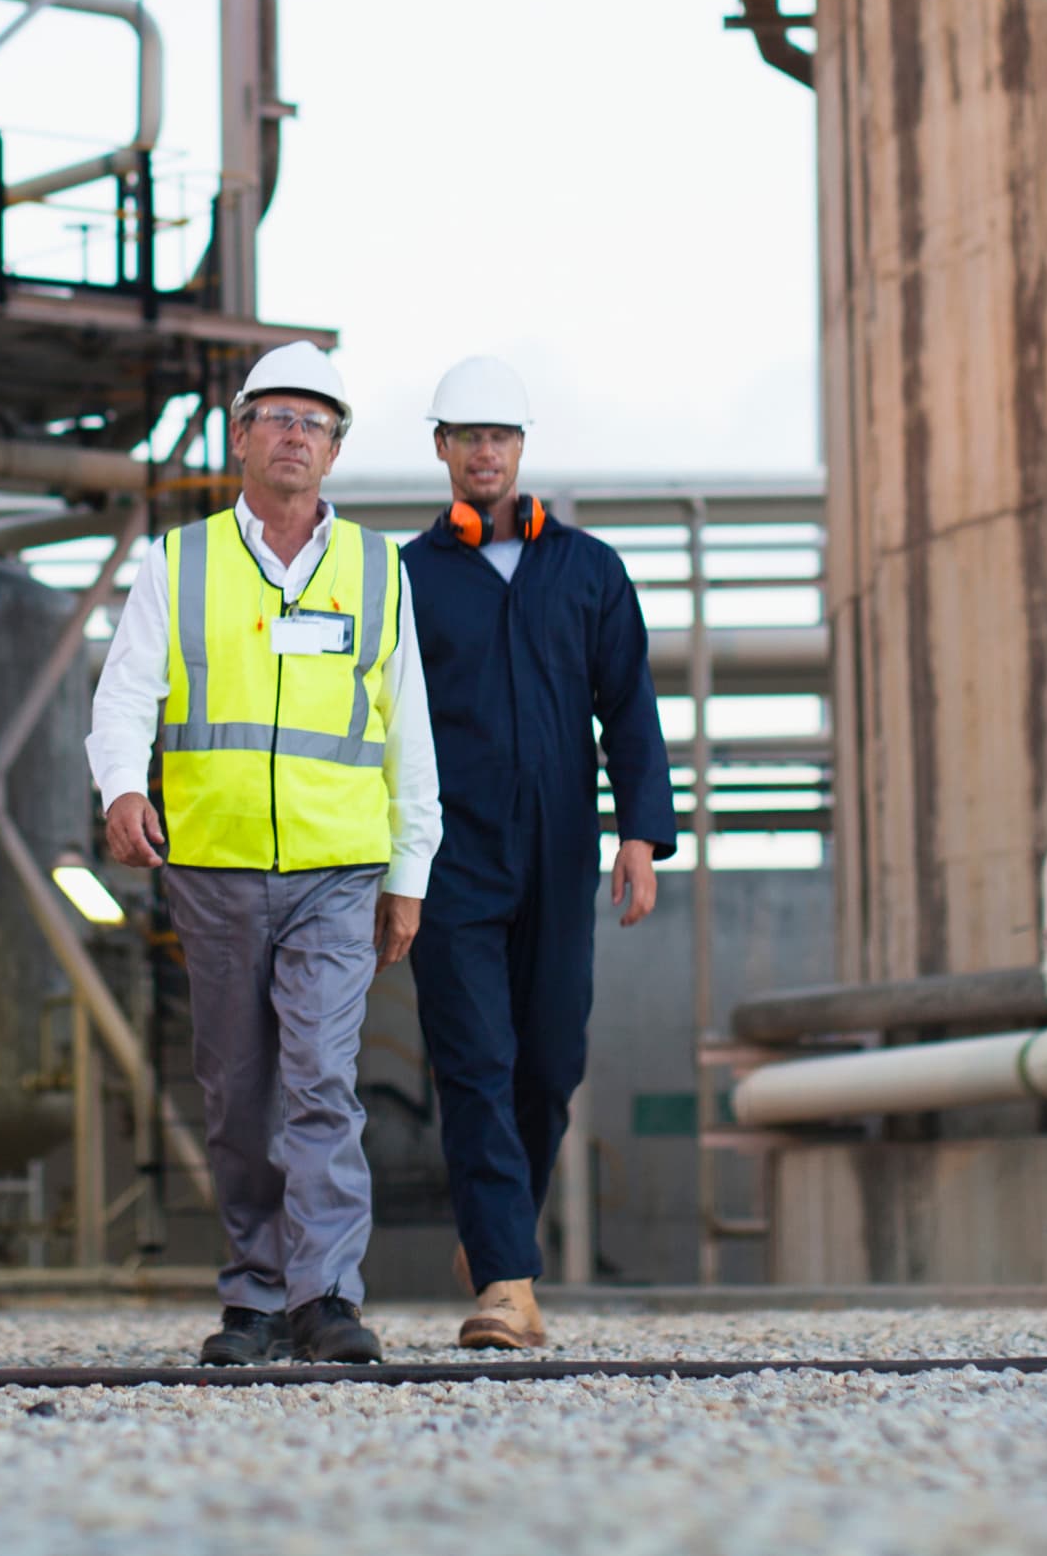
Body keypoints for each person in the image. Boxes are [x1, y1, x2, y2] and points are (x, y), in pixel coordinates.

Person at [91, 341, 441, 1367]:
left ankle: (325, 1295)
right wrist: (121, 783)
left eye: (314, 421)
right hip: (217, 866)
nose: (294, 435)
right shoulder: (180, 560)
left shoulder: (378, 571)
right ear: (240, 436)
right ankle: (251, 1298)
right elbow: (124, 692)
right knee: (237, 1087)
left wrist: (409, 870)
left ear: (333, 449)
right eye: (275, 417)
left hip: (338, 871)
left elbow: (408, 726)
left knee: (323, 1081)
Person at [399, 357, 676, 1351]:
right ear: (440, 447)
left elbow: (629, 707)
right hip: (449, 852)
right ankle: (508, 1285)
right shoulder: (409, 578)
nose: (484, 451)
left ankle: (496, 1229)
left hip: (561, 847)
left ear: (522, 451)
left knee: (549, 1056)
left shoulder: (589, 571)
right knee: (474, 1059)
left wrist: (640, 834)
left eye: (500, 437)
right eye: (467, 435)